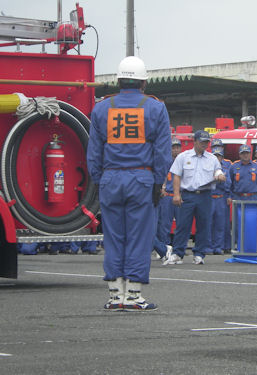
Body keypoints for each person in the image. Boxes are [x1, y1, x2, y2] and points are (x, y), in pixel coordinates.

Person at [87, 56, 171, 311]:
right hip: (141, 178)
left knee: (113, 237)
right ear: (143, 82)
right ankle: (133, 296)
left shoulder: (101, 108)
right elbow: (162, 153)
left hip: (111, 178)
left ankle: (115, 295)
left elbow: (93, 153)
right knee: (139, 237)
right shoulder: (155, 108)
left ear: (119, 79)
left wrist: (100, 180)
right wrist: (158, 183)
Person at [164, 130, 225, 265]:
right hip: (188, 194)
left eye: (206, 142)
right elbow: (177, 176)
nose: (204, 144)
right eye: (202, 142)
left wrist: (220, 175)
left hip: (205, 195)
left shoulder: (212, 158)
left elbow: (218, 170)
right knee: (182, 225)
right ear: (195, 142)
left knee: (203, 225)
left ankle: (199, 254)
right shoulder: (183, 157)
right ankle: (177, 253)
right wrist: (176, 194)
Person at [153, 137, 181, 263]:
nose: (175, 150)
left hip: (179, 195)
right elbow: (162, 175)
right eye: (173, 147)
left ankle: (178, 248)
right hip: (167, 196)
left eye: (177, 147)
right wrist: (162, 188)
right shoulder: (166, 161)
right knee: (164, 224)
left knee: (181, 224)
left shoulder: (183, 161)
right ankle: (164, 248)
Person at [206, 146, 231, 255]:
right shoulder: (206, 168)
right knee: (208, 223)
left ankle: (218, 247)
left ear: (222, 157)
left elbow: (228, 184)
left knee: (220, 224)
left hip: (220, 198)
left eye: (219, 156)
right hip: (209, 197)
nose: (217, 158)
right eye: (215, 156)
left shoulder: (225, 169)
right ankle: (208, 247)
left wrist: (221, 179)